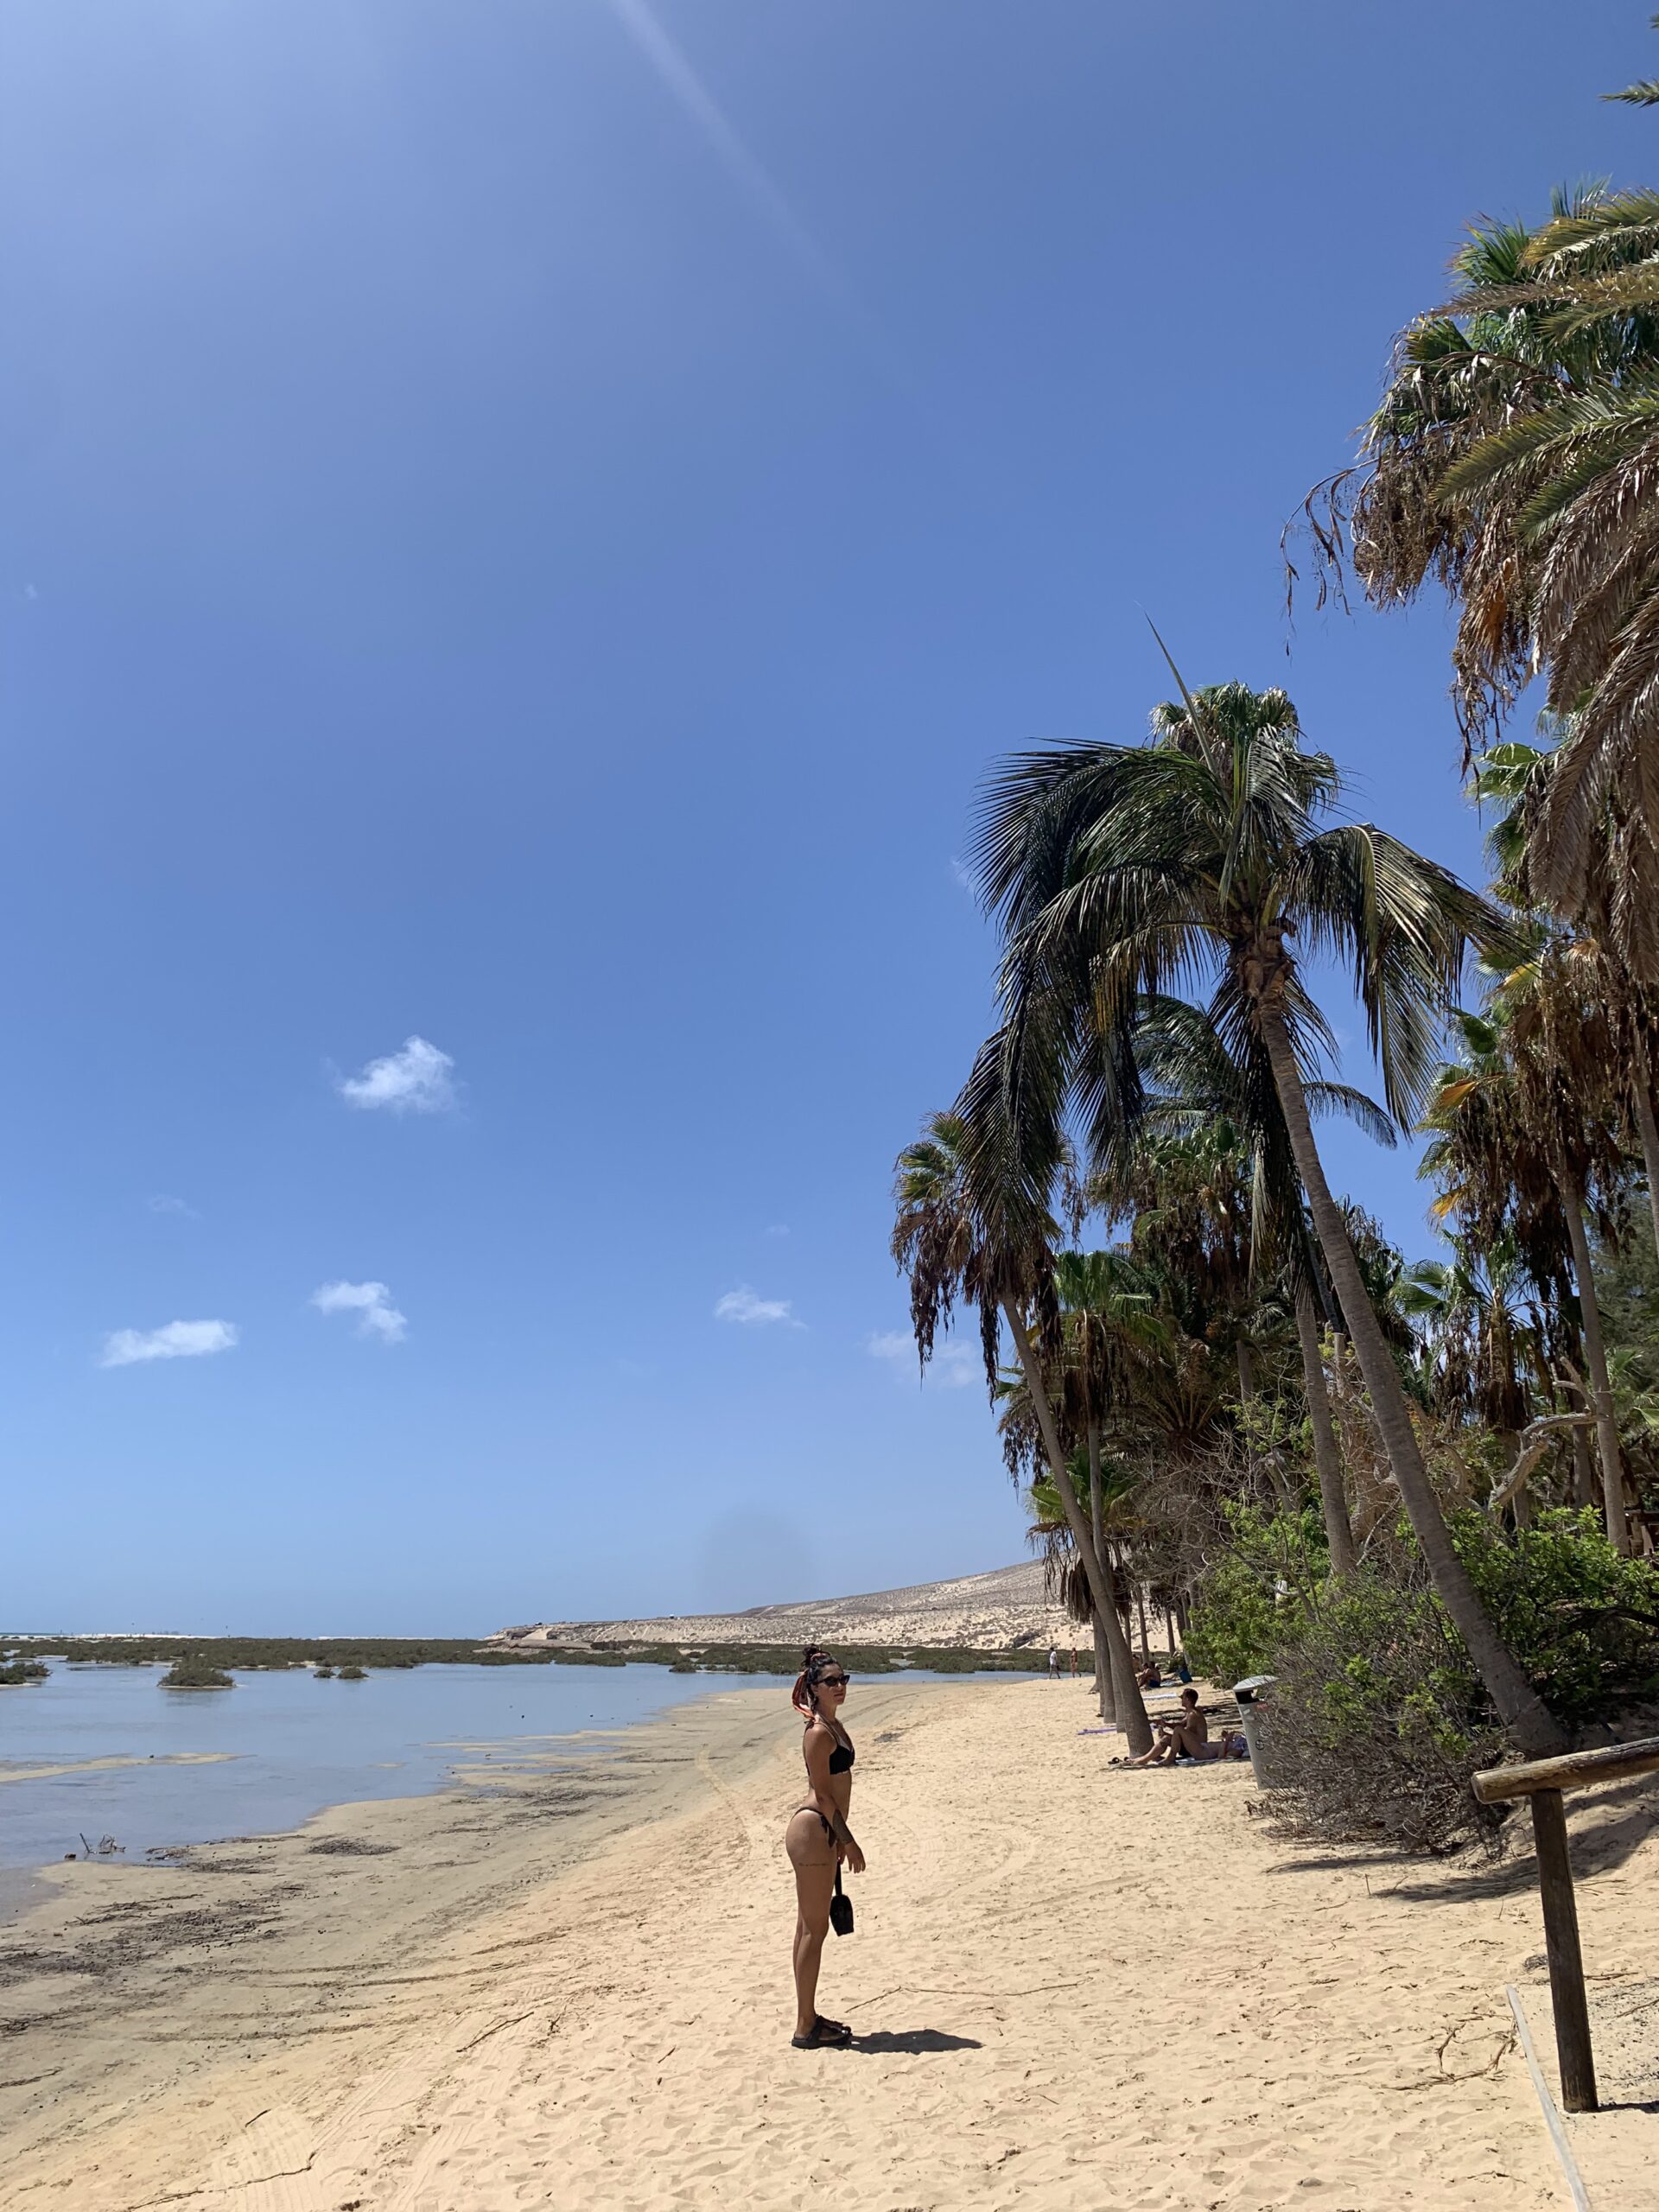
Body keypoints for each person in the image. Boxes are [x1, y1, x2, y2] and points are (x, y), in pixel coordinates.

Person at [785, 1645, 865, 2049]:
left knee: (808, 1929)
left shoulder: (833, 1726)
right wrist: (848, 1843)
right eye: (831, 1681)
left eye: (843, 1679)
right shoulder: (817, 1732)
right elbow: (823, 1795)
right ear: (813, 1689)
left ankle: (809, 2018)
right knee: (813, 1931)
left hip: (823, 1834)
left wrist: (839, 1839)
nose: (840, 1686)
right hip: (814, 1828)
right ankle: (805, 2026)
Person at [1128, 1686, 1246, 1767]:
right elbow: (1179, 1725)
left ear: (1188, 1699)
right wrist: (1165, 1724)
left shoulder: (1194, 1715)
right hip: (1194, 1746)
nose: (1181, 1700)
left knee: (1172, 1735)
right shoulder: (1190, 1713)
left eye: (1182, 1697)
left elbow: (1184, 1734)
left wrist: (1168, 1732)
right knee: (1166, 1738)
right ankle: (1144, 1759)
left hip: (1197, 1748)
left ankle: (1170, 1758)